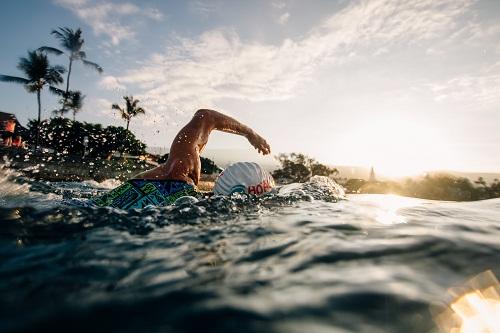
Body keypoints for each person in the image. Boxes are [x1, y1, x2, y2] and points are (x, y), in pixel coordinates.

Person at [91, 109, 271, 209]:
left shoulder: (179, 172)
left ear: (221, 178)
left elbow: (205, 116)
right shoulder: (199, 211)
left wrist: (250, 133)